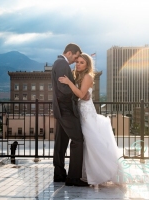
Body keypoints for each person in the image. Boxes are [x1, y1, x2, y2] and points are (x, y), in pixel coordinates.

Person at [58, 53, 122, 186]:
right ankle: (85, 174)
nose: (79, 64)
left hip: (87, 113)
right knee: (85, 144)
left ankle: (104, 172)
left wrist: (69, 82)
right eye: (78, 62)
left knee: (91, 142)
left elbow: (81, 94)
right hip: (80, 112)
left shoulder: (87, 76)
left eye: (82, 62)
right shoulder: (77, 75)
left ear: (87, 65)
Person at [51, 43, 90, 187]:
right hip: (66, 110)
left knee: (61, 143)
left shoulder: (59, 63)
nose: (75, 60)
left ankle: (59, 174)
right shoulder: (62, 64)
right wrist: (79, 96)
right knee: (78, 140)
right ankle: (73, 177)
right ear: (69, 53)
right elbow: (64, 90)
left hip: (61, 110)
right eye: (75, 56)